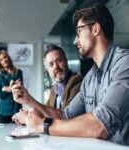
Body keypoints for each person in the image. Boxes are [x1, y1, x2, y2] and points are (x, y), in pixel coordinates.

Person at [11, 3, 129, 145]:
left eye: (79, 32)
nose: (75, 40)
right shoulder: (89, 78)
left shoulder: (124, 64)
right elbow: (66, 115)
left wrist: (43, 125)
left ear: (96, 29)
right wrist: (29, 100)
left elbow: (100, 125)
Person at [12, 44, 82, 124]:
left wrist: (28, 101)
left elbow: (66, 117)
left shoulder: (77, 81)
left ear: (66, 61)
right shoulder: (55, 88)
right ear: (48, 70)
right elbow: (46, 111)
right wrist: (27, 114)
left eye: (59, 61)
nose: (55, 66)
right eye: (51, 64)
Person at [0, 50, 23, 123]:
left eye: (5, 57)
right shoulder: (0, 76)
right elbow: (0, 94)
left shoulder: (18, 72)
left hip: (16, 109)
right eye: (1, 59)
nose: (4, 60)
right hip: (3, 111)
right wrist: (12, 88)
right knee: (1, 133)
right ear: (0, 63)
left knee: (18, 132)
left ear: (8, 58)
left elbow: (20, 90)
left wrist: (6, 89)